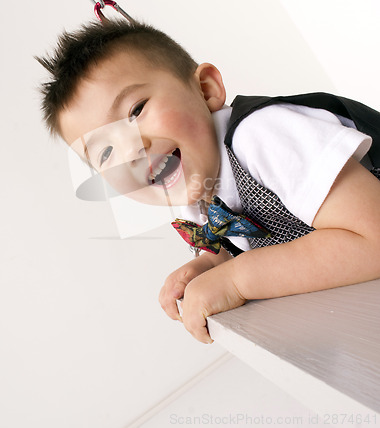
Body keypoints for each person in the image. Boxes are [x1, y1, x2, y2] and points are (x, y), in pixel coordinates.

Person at [36, 19, 380, 344]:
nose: (131, 151)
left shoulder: (261, 137)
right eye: (106, 152)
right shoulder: (195, 190)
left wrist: (238, 280)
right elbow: (256, 241)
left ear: (206, 89)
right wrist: (211, 264)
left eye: (136, 111)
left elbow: (374, 236)